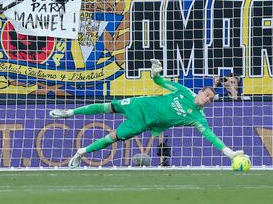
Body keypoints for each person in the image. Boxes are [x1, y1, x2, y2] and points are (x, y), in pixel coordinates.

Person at [50, 59, 246, 168]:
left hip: (143, 122)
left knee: (113, 137)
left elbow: (210, 137)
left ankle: (80, 152)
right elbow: (160, 82)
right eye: (207, 95)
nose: (208, 100)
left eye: (211, 100)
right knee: (106, 106)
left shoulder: (198, 117)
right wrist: (155, 73)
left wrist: (229, 154)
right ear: (201, 92)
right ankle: (69, 112)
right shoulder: (184, 91)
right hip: (140, 104)